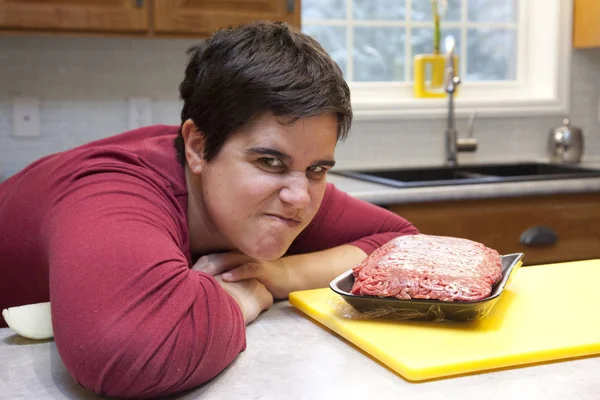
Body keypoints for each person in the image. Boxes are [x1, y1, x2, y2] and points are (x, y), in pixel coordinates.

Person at [0, 21, 418, 398]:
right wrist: (241, 298)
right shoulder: (115, 188)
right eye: (269, 162)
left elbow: (407, 247)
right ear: (198, 147)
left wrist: (276, 275)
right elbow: (127, 353)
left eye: (317, 168)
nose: (300, 197)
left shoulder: (288, 193)